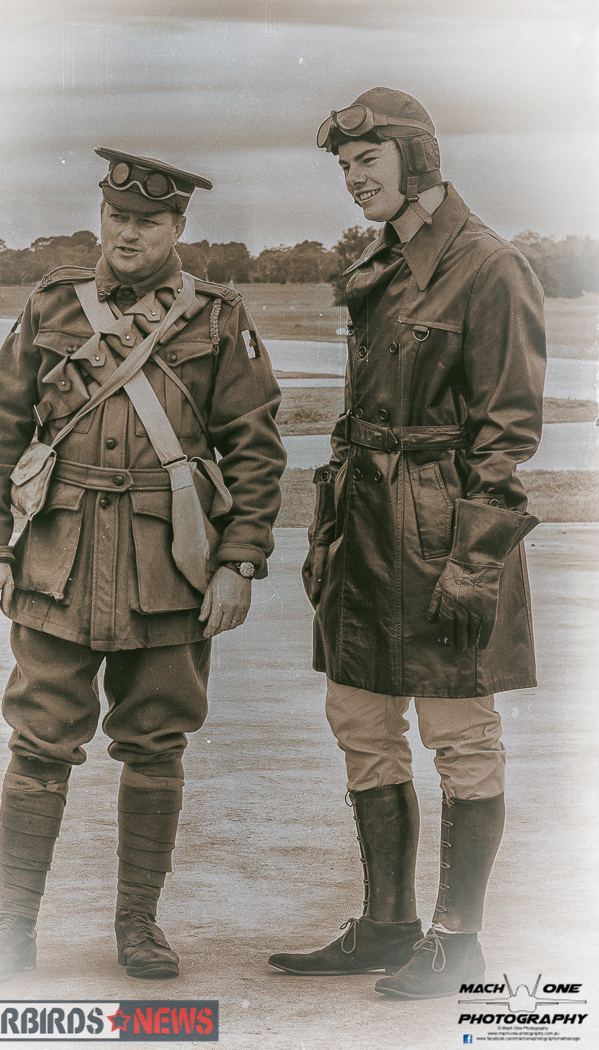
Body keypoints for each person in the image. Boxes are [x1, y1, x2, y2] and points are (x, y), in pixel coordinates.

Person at [0, 148, 286, 983]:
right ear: (102, 216)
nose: (129, 232)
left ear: (178, 227)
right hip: (55, 563)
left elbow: (255, 451)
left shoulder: (216, 317)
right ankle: (12, 927)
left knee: (156, 746)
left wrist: (238, 563)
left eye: (148, 220)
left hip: (168, 566)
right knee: (37, 745)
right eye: (118, 216)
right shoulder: (51, 307)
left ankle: (139, 927)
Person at [268, 87, 545, 999]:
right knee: (360, 720)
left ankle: (456, 939)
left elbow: (507, 434)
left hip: (443, 529)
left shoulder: (488, 266)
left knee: (459, 730)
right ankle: (387, 926)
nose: (353, 180)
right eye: (345, 168)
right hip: (367, 526)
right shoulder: (378, 265)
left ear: (416, 159)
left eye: (368, 161)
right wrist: (328, 525)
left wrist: (476, 560)